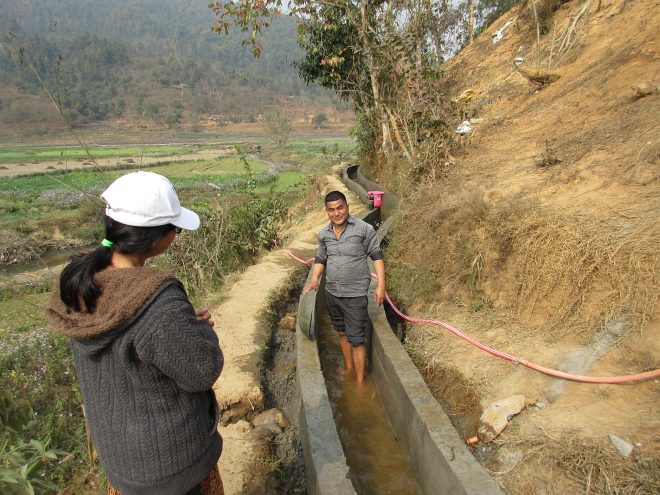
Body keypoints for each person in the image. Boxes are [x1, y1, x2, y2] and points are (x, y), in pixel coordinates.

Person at [46, 171, 224, 495]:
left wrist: (180, 322)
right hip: (172, 471)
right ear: (156, 238)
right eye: (175, 229)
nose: (177, 235)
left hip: (122, 467)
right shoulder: (158, 300)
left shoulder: (79, 283)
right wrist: (199, 330)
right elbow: (202, 371)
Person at [303, 190, 385, 383]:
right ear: (327, 212)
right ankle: (349, 369)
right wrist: (314, 278)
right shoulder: (324, 234)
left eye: (340, 208)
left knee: (356, 339)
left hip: (355, 295)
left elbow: (377, 256)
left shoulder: (363, 229)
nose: (336, 213)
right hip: (332, 293)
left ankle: (359, 383)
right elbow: (321, 258)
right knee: (341, 332)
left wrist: (381, 286)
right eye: (331, 210)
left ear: (347, 207)